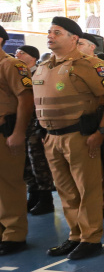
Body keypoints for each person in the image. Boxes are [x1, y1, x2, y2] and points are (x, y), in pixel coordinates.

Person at [32, 17, 104, 259]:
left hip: (80, 135)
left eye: (57, 32)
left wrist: (101, 132)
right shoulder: (43, 66)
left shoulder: (89, 65)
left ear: (74, 38)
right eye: (49, 32)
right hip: (51, 138)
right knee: (65, 190)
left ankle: (91, 238)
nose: (50, 35)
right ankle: (75, 235)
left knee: (87, 188)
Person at [78, 33, 104, 217]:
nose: (76, 46)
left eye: (80, 43)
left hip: (99, 120)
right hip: (77, 124)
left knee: (103, 164)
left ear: (91, 47)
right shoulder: (68, 66)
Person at [0, 24, 33, 256]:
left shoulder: (12, 65)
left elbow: (25, 99)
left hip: (5, 131)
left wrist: (19, 132)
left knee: (9, 184)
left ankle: (14, 233)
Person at [15, 45, 57, 215]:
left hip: (37, 125)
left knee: (39, 162)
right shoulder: (21, 74)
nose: (17, 54)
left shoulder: (39, 73)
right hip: (24, 125)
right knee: (26, 163)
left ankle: (46, 199)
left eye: (21, 53)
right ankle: (34, 195)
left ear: (32, 57)